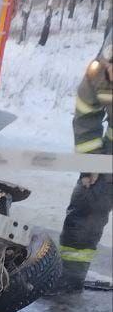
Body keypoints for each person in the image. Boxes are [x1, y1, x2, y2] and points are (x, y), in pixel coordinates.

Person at [55, 35, 113, 292]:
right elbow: (87, 115)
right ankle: (68, 277)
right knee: (88, 202)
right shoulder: (98, 72)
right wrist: (91, 164)